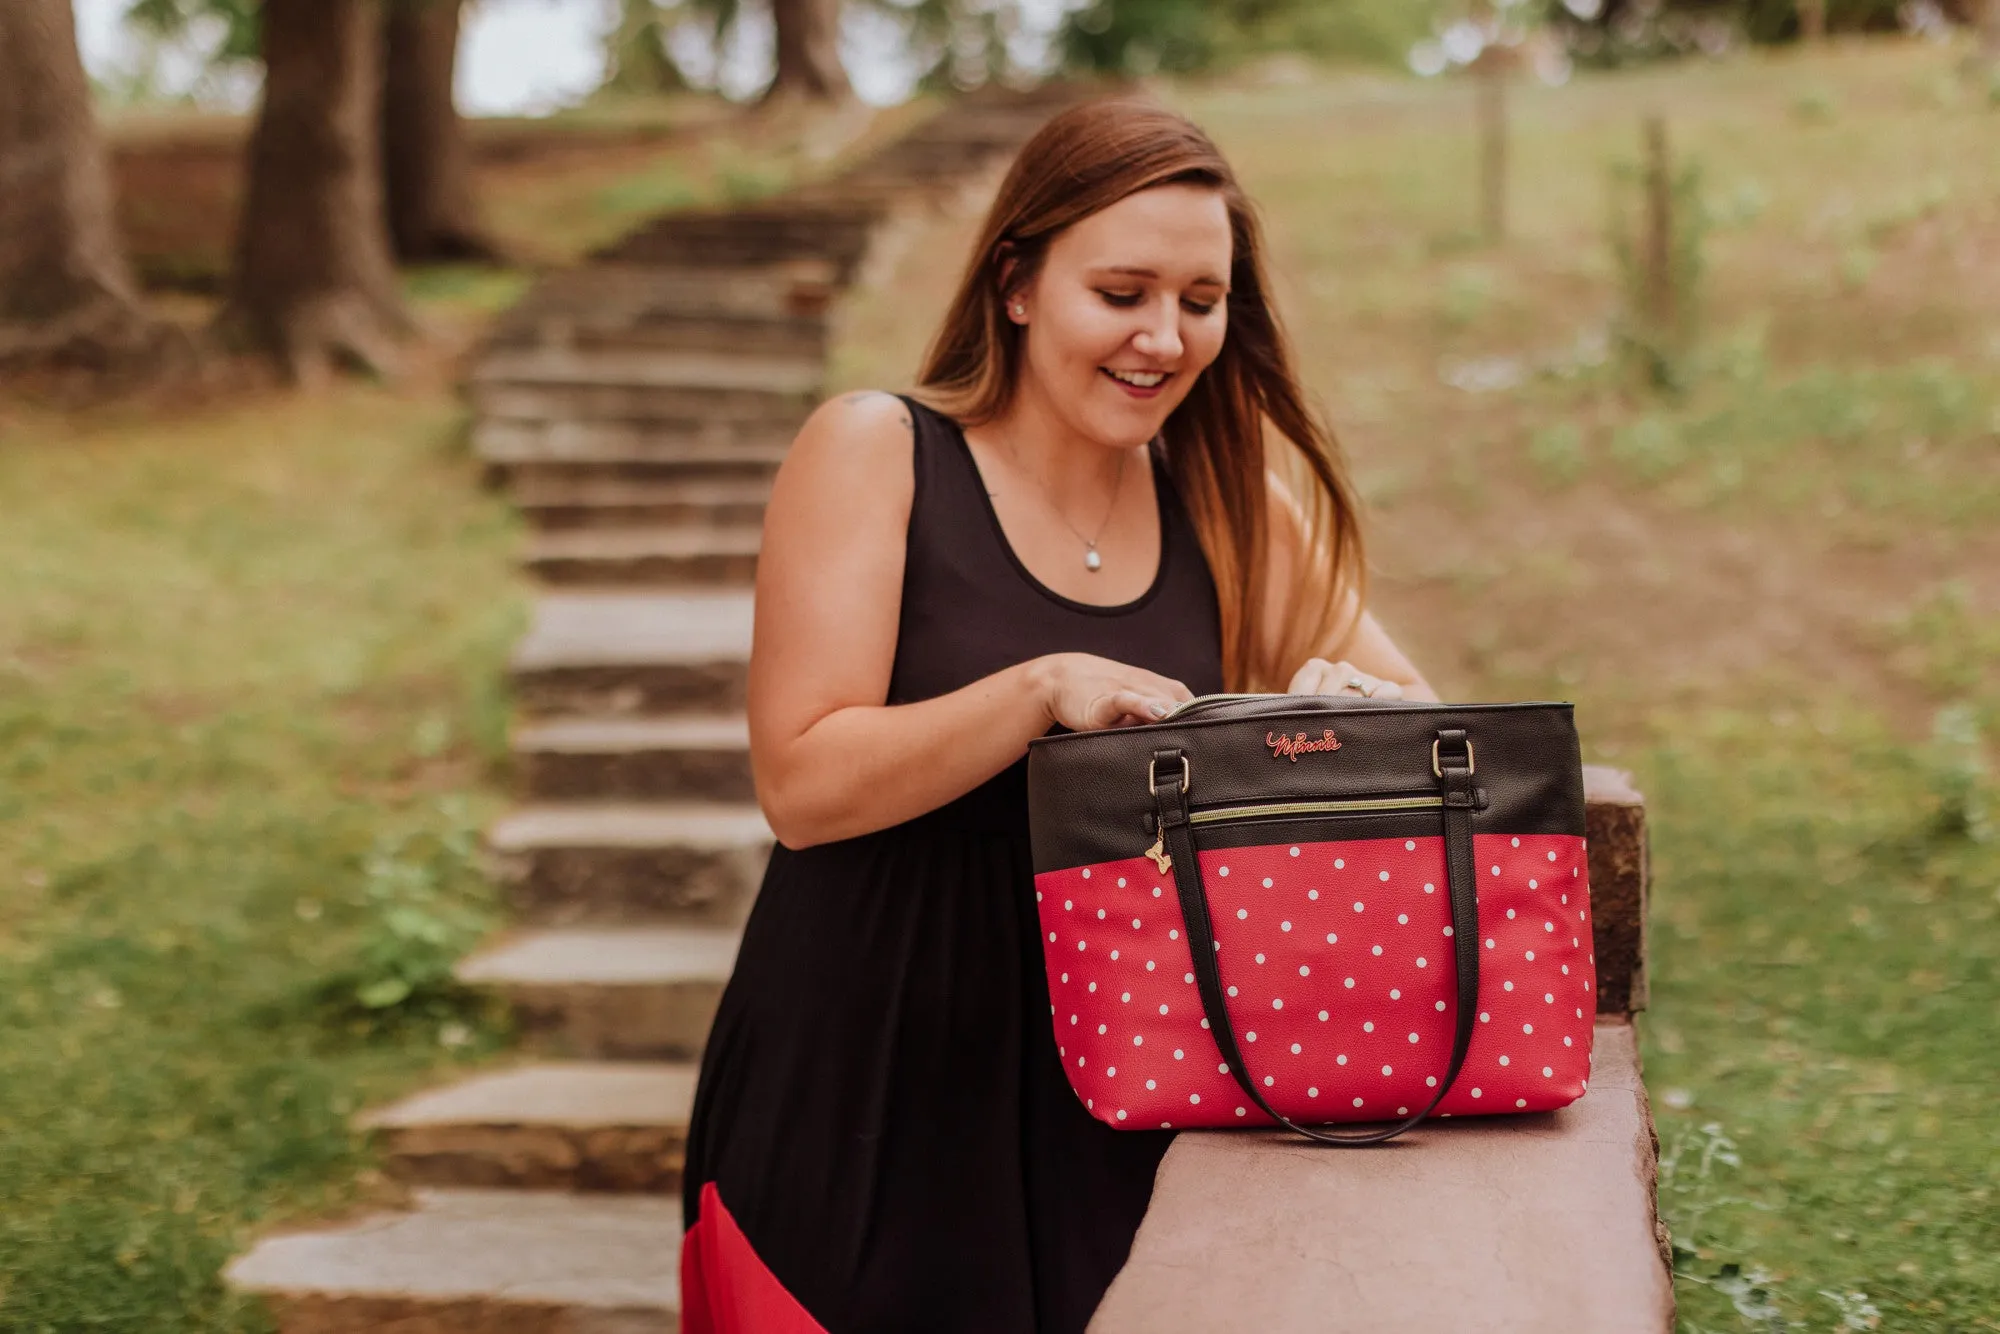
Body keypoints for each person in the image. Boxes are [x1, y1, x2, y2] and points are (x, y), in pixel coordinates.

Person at [679, 96, 1439, 1333]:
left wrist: (1332, 718)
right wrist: (1036, 689)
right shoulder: (879, 449)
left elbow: (1419, 727)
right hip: (867, 1071)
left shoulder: (1235, 505)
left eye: (1201, 301)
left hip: (1127, 1091)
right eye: (1122, 291)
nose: (1163, 336)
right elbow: (802, 783)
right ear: (1018, 282)